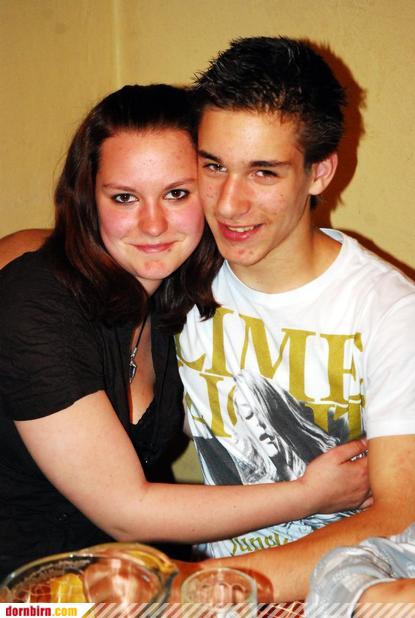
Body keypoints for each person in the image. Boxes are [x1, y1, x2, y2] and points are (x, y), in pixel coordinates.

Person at [0, 83, 369, 580]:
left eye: (176, 193)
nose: (153, 225)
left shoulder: (176, 294)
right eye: (124, 198)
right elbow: (125, 509)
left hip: (122, 578)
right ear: (89, 199)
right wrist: (311, 495)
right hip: (26, 596)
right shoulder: (38, 306)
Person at [175, 36, 415, 600]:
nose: (228, 203)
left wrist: (204, 585)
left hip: (347, 595)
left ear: (319, 173)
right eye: (214, 166)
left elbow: (398, 514)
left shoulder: (389, 312)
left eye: (263, 173)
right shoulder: (177, 270)